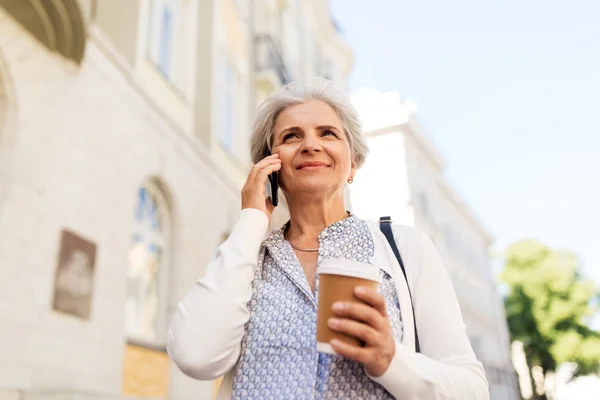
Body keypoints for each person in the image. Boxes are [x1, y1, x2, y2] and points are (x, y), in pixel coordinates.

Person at [167, 78, 490, 399]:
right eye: (291, 136)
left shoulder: (406, 248)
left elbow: (472, 390)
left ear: (352, 164)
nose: (310, 145)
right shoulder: (248, 259)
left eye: (328, 133)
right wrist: (251, 219)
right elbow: (195, 356)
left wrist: (390, 360)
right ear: (270, 166)